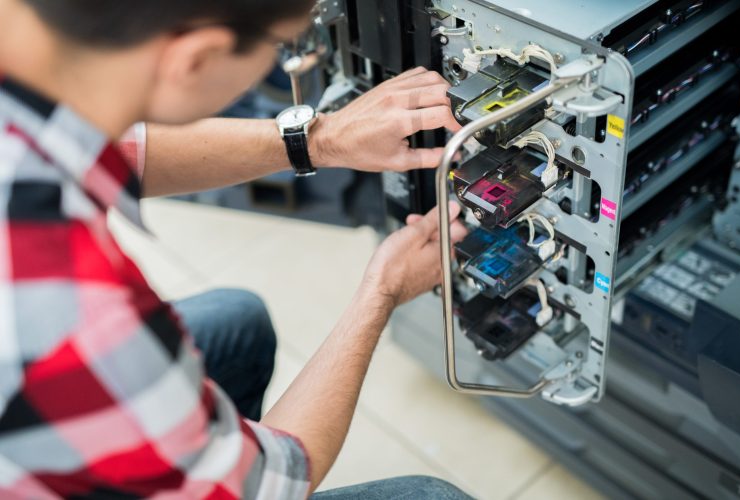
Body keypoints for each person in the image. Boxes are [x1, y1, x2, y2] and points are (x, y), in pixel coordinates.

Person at [0, 0, 473, 498]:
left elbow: (122, 147)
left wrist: (323, 138)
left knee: (237, 322)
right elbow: (266, 481)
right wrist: (381, 292)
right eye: (279, 45)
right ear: (197, 58)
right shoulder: (79, 315)